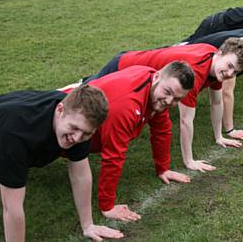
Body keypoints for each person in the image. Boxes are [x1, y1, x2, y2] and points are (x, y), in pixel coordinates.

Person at [81, 39, 243, 170]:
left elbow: (216, 102)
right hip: (122, 67)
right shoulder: (195, 72)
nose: (230, 73)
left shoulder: (215, 66)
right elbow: (186, 120)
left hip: (133, 67)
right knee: (81, 106)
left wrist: (219, 136)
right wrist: (189, 161)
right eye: (230, 66)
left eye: (236, 72)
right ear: (219, 54)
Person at [0, 84, 123, 241]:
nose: (77, 138)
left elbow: (81, 175)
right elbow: (12, 209)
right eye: (74, 128)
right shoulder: (16, 136)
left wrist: (88, 225)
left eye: (86, 133)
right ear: (60, 111)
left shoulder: (80, 119)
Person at [81, 62, 196, 221]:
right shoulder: (125, 105)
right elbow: (113, 157)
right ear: (157, 76)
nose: (170, 101)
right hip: (63, 133)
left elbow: (162, 129)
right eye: (168, 92)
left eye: (177, 98)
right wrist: (107, 206)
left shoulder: (154, 85)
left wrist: (164, 168)